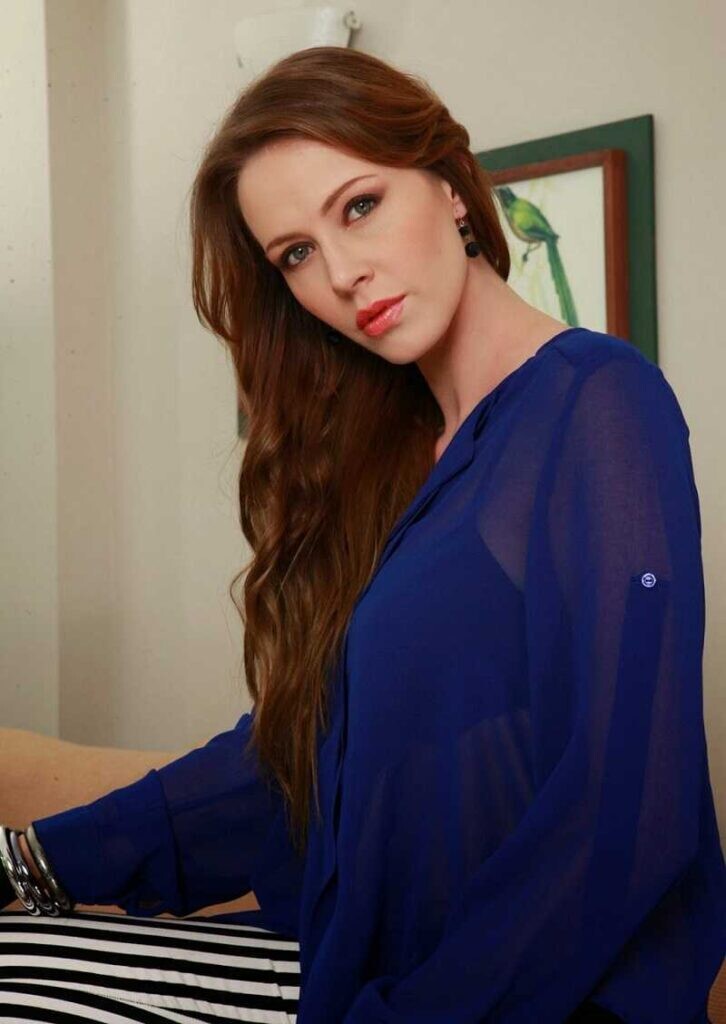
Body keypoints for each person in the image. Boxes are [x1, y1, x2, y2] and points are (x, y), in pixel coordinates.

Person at [1, 45, 724, 1023]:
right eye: (296, 254)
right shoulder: (398, 461)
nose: (342, 274)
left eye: (359, 206)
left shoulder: (599, 400)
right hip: (363, 975)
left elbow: (627, 806)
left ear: (451, 185)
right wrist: (34, 860)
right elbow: (307, 759)